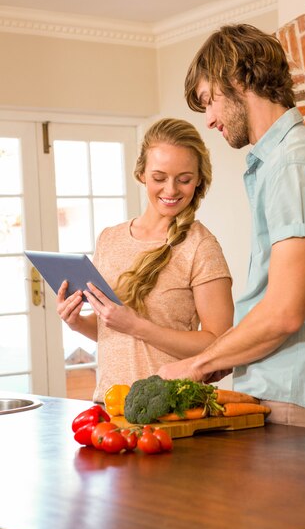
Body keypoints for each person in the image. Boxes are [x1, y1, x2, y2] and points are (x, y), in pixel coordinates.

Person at [158, 24, 305, 432]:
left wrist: (199, 364)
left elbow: (285, 312)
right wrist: (225, 355)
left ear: (237, 79)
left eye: (209, 101)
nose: (210, 121)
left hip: (296, 398)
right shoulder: (284, 163)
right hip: (287, 393)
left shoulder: (294, 165)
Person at [56, 118, 234, 402]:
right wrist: (77, 323)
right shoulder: (110, 239)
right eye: (159, 178)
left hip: (170, 408)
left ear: (199, 179)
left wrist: (138, 326)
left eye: (184, 179)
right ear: (141, 174)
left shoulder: (201, 246)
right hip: (108, 405)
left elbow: (220, 345)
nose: (171, 190)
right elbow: (113, 334)